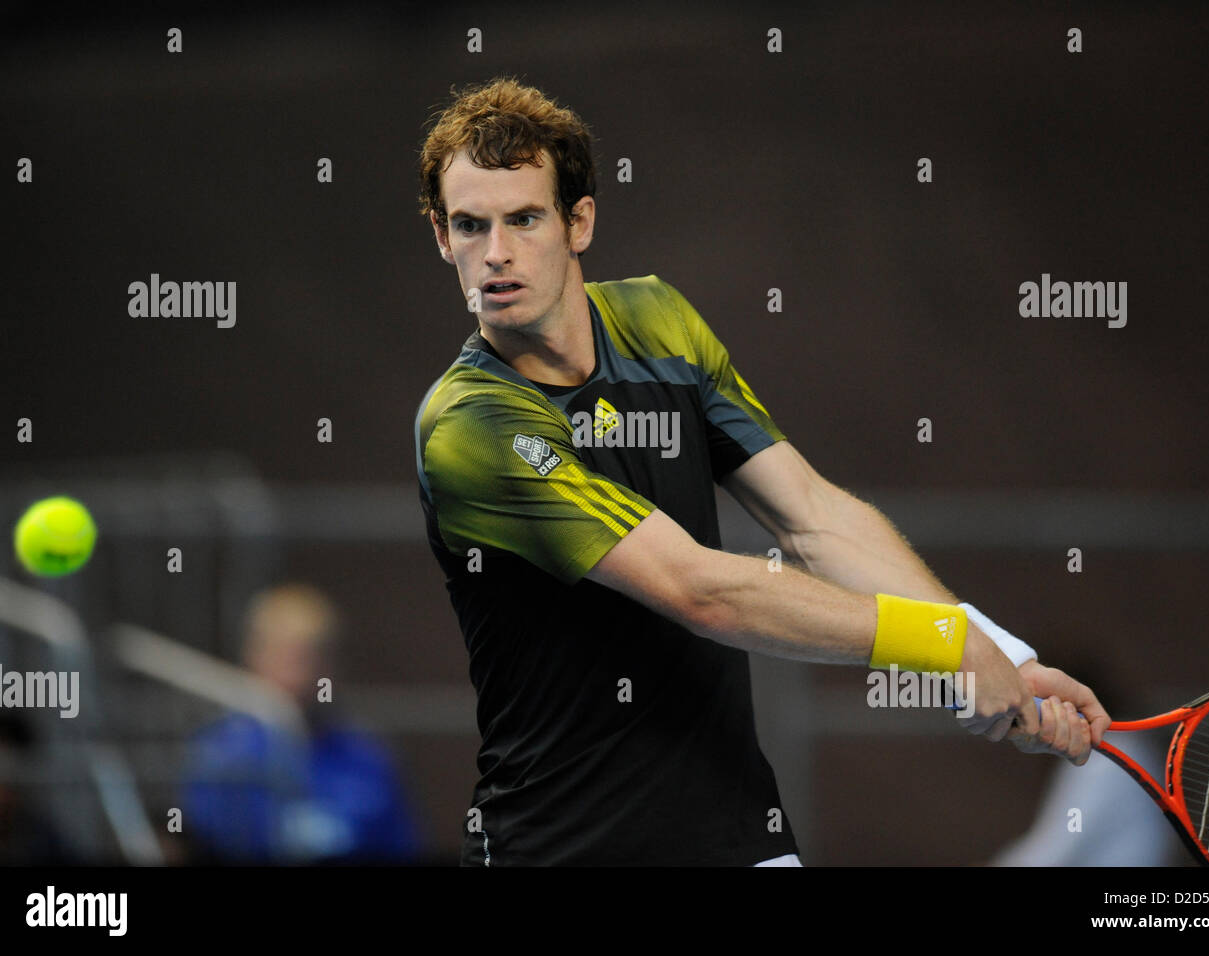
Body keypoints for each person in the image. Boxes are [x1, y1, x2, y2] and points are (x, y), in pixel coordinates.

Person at [414, 76, 1111, 866]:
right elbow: (699, 590)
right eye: (470, 226)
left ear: (580, 222)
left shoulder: (657, 319)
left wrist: (999, 652)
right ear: (442, 236)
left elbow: (811, 516)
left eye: (524, 218)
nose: (495, 254)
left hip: (738, 834)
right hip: (559, 847)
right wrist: (944, 644)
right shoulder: (468, 426)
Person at [181, 583, 425, 863]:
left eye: (311, 659)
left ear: (332, 666)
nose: (299, 678)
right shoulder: (220, 757)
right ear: (254, 657)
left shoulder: (368, 760)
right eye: (285, 657)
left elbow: (401, 845)